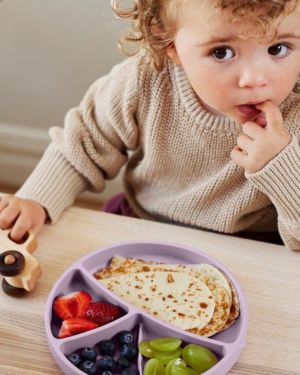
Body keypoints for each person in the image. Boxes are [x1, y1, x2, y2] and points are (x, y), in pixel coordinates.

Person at [0, 0, 300, 250]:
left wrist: (282, 166)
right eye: (221, 52)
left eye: (278, 49)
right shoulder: (145, 80)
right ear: (170, 43)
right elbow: (82, 146)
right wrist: (34, 201)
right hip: (144, 226)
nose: (255, 79)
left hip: (251, 250)